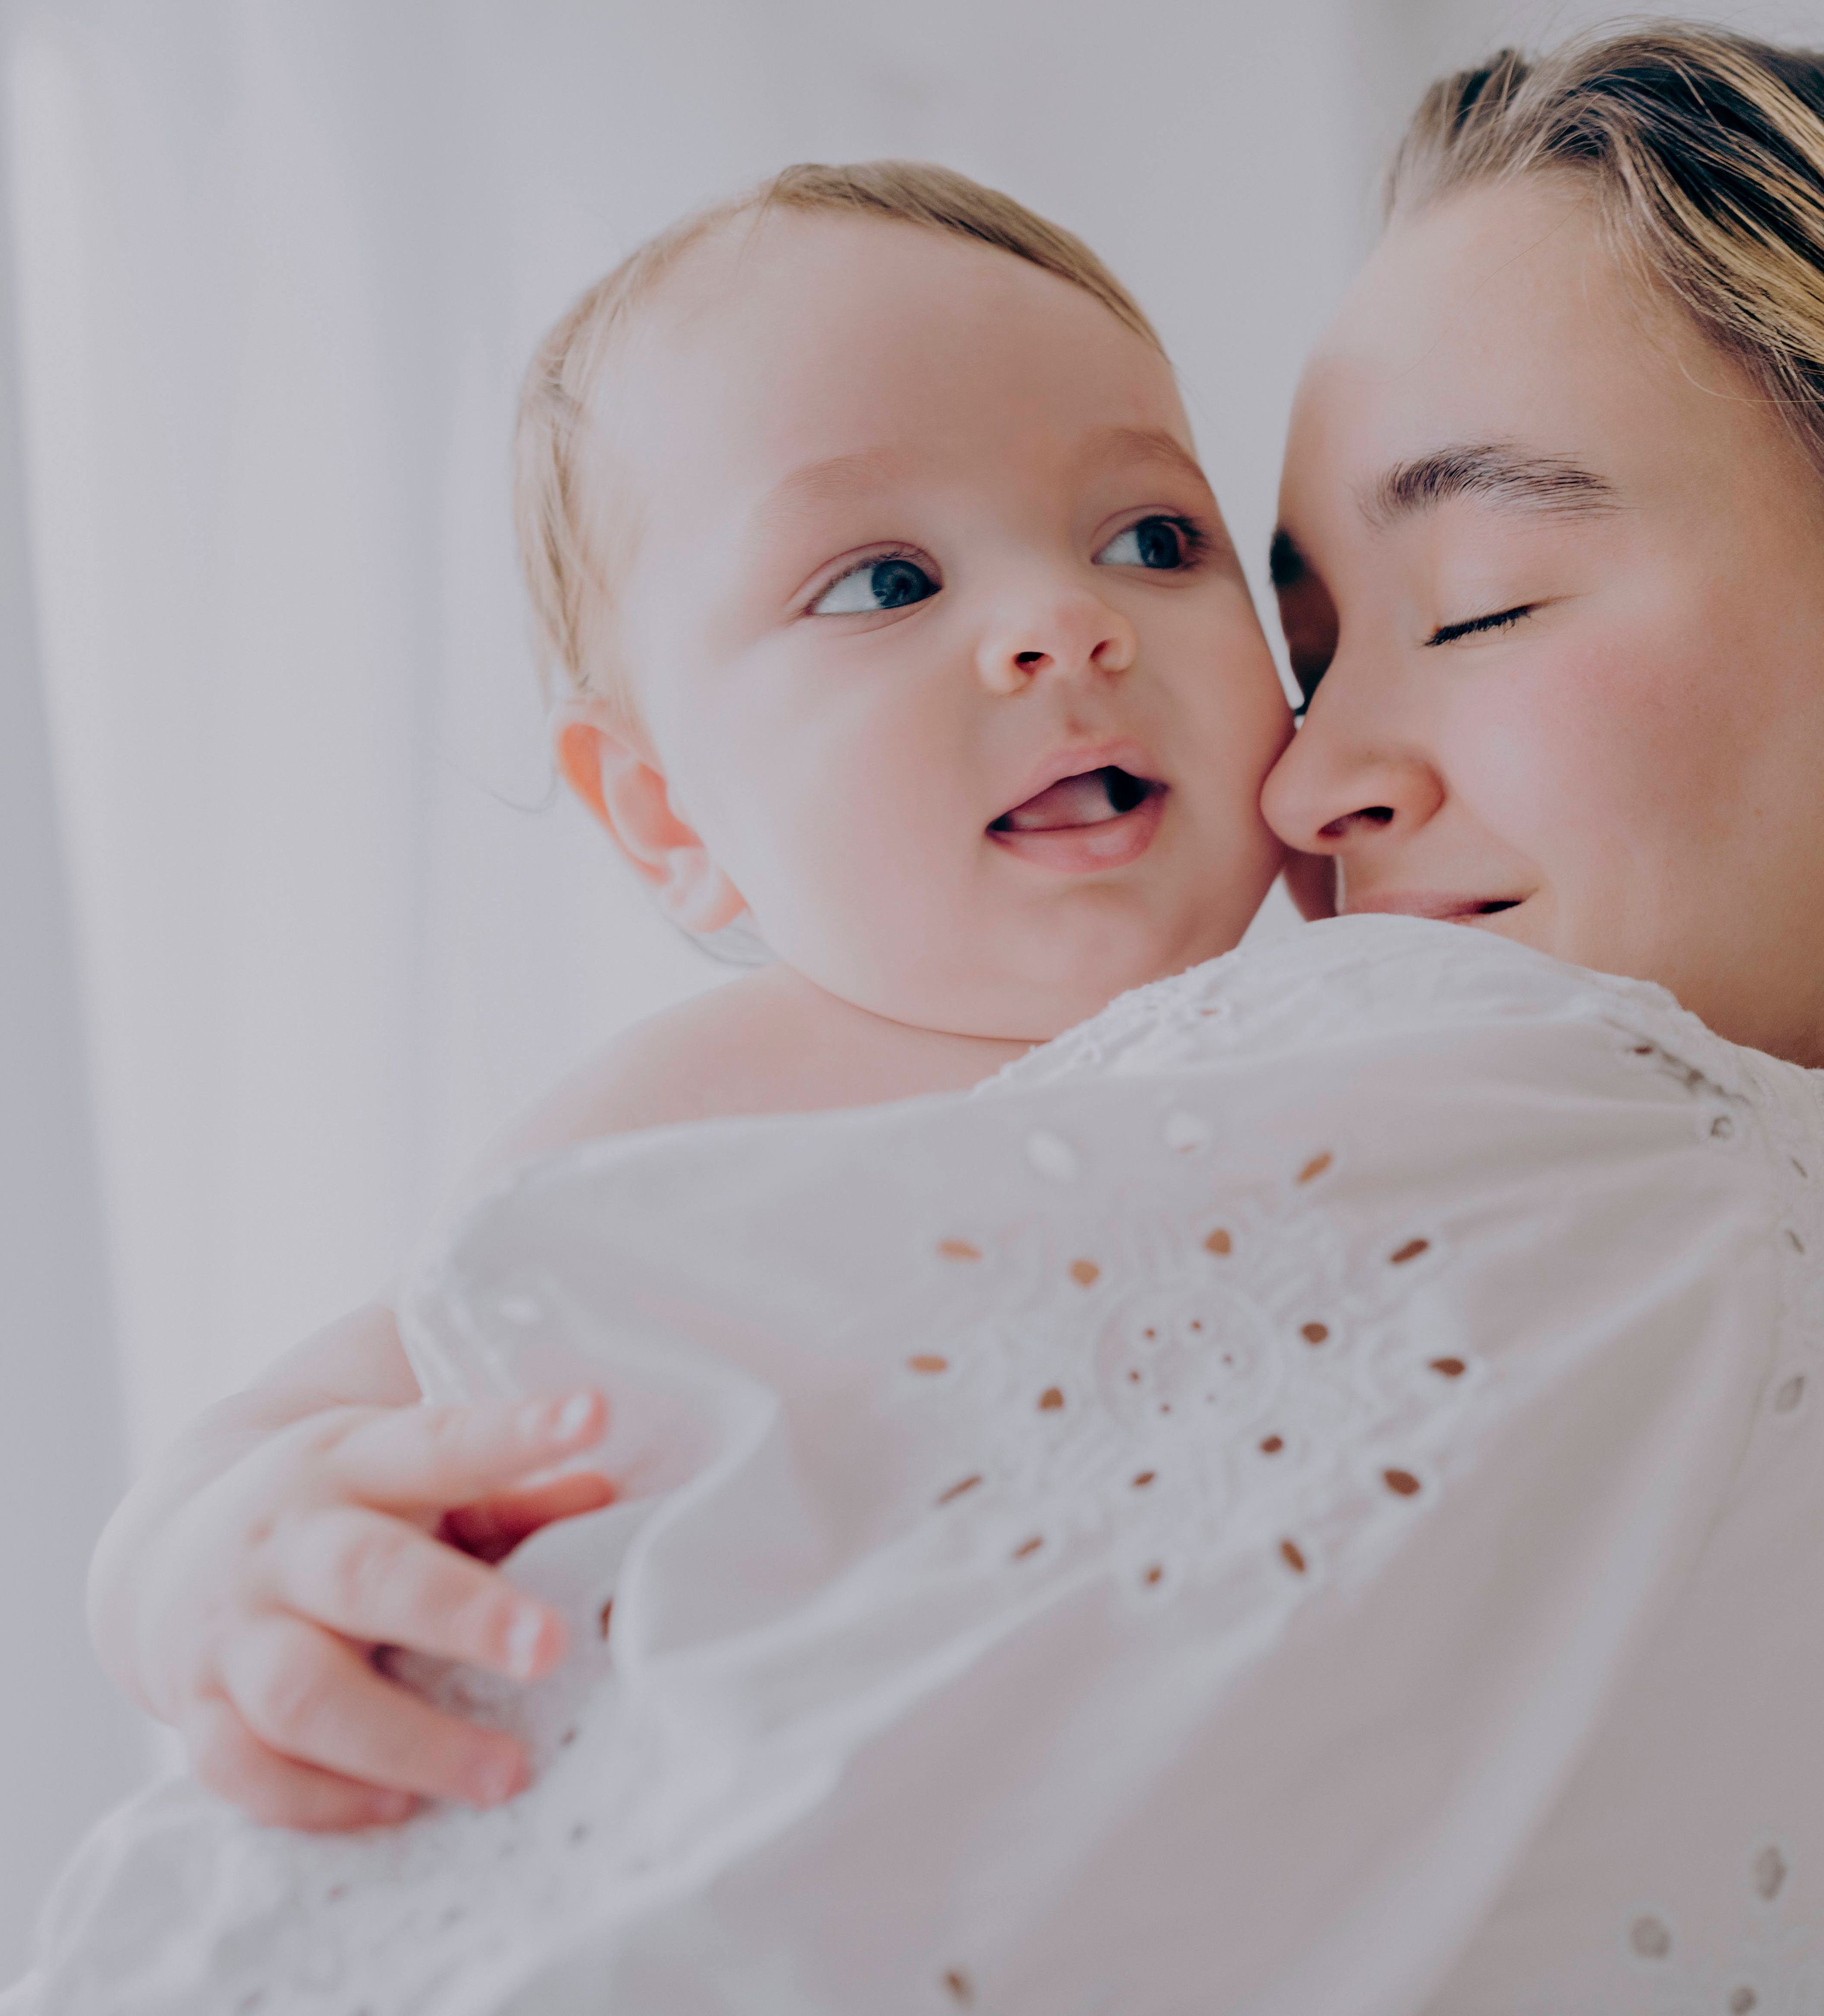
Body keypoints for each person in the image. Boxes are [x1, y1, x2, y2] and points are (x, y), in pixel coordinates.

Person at [29, 25, 1824, 2016]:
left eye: (1466, 596)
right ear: (648, 803)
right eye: (1332, 626)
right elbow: (394, 1412)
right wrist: (196, 1560)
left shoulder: (1570, 1173)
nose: (1306, 778)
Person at [76, 159, 1294, 1833]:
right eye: (885, 581)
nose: (1064, 624)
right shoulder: (679, 1127)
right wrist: (212, 1563)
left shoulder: (1354, 1038)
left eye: (1153, 539)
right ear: (665, 811)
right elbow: (292, 1423)